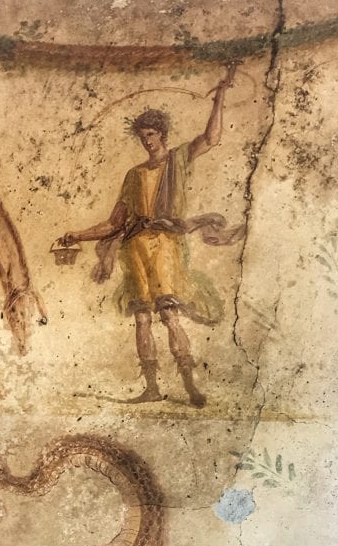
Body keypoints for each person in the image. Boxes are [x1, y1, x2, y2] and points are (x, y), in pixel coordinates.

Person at [58, 64, 243, 408]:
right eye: (142, 137)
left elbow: (212, 139)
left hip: (165, 247)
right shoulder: (133, 175)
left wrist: (219, 98)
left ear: (162, 135)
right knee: (142, 319)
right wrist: (77, 235)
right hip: (135, 250)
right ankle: (152, 387)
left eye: (151, 136)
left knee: (169, 315)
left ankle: (189, 384)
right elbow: (114, 223)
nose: (146, 142)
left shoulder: (178, 160)